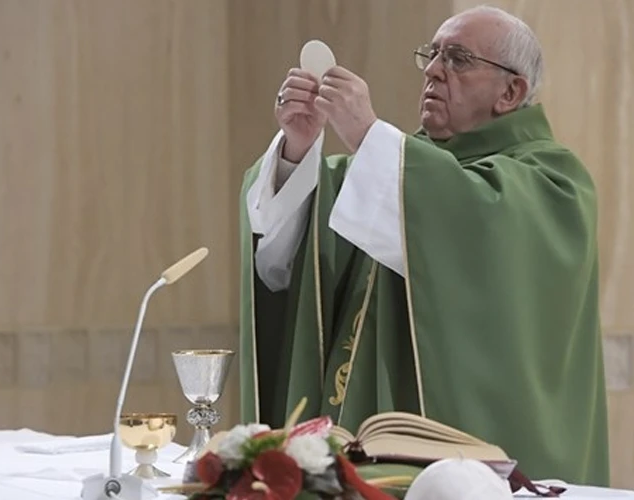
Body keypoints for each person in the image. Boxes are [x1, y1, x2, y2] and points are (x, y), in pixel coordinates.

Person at [236, 4, 610, 487]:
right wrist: (298, 148)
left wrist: (366, 134)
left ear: (511, 91)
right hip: (363, 450)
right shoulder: (388, 174)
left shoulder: (553, 182)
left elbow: (471, 223)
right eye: (432, 55)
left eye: (457, 58)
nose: (433, 70)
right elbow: (283, 256)